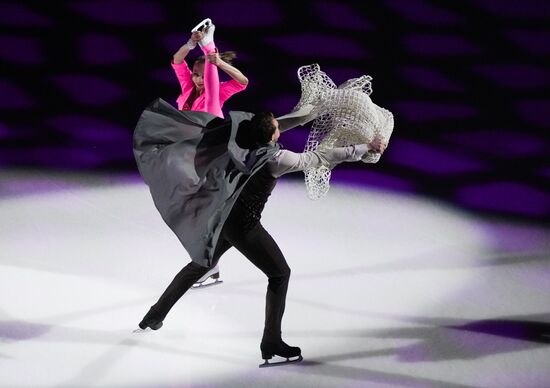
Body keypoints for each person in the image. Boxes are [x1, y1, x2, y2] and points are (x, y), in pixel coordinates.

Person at [133, 99, 387, 366]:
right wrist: (365, 148)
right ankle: (271, 342)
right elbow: (318, 158)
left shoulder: (243, 133)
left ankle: (154, 315)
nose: (280, 128)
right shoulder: (277, 159)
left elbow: (283, 122)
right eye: (277, 129)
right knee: (280, 273)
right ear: (271, 137)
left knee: (199, 265)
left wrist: (313, 113)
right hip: (244, 225)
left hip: (225, 216)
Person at [171, 18, 249, 287]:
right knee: (196, 216)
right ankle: (210, 266)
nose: (197, 80)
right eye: (195, 75)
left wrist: (216, 60)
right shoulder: (187, 89)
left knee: (204, 216)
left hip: (211, 154)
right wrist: (190, 44)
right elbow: (177, 60)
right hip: (190, 155)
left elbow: (242, 81)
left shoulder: (216, 92)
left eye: (202, 77)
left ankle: (207, 265)